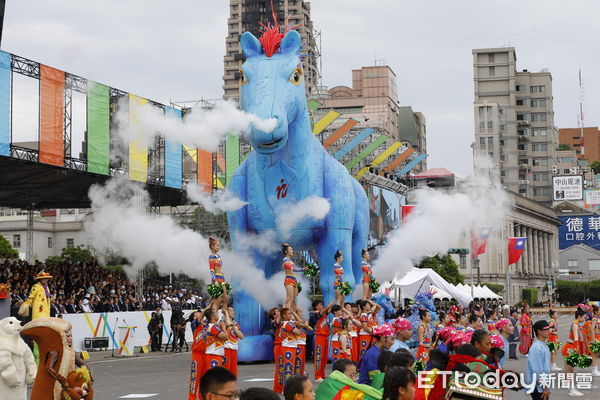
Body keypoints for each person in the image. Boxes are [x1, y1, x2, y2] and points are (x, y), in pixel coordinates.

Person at [273, 308, 302, 393]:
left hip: (290, 347)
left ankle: (284, 387)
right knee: (288, 368)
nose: (291, 315)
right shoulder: (287, 324)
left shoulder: (288, 323)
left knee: (289, 368)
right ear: (284, 316)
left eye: (291, 313)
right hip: (287, 347)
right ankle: (285, 388)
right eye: (289, 314)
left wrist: (294, 317)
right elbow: (298, 332)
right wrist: (295, 324)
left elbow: (300, 323)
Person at [561, 307, 587, 397]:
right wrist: (576, 350)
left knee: (570, 370)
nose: (585, 319)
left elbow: (581, 339)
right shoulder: (575, 324)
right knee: (570, 370)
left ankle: (571, 388)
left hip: (572, 348)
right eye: (584, 317)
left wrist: (582, 351)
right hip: (570, 348)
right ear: (579, 316)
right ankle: (572, 389)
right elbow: (576, 338)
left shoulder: (579, 325)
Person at [524, 320, 552, 400]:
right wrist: (545, 386)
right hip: (538, 386)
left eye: (548, 329)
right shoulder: (536, 347)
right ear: (539, 331)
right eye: (546, 329)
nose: (548, 331)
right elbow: (537, 370)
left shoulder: (542, 345)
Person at [312, 299, 334, 382]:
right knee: (319, 357)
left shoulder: (324, 314)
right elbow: (328, 307)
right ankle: (317, 376)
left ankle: (322, 374)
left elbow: (332, 308)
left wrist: (339, 296)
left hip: (325, 336)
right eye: (320, 304)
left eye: (322, 304)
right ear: (316, 306)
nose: (322, 306)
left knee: (324, 357)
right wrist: (334, 299)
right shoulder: (317, 314)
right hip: (319, 337)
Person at [282, 243, 306, 312]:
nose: (292, 251)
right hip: (289, 280)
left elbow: (294, 269)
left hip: (294, 280)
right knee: (289, 299)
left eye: (292, 249)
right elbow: (292, 268)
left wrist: (302, 269)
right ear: (286, 252)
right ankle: (285, 316)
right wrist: (302, 269)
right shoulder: (285, 260)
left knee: (294, 301)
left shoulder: (290, 261)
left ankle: (293, 318)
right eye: (290, 249)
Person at [208, 237, 228, 310]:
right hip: (216, 278)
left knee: (225, 299)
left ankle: (225, 316)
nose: (219, 247)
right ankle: (209, 315)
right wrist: (215, 280)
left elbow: (221, 270)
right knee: (217, 301)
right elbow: (212, 270)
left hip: (221, 278)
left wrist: (224, 279)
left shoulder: (218, 256)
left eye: (219, 245)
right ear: (212, 247)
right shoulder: (211, 257)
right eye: (217, 245)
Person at [224, 305, 244, 376]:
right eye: (232, 311)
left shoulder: (235, 323)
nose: (234, 312)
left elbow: (242, 337)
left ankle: (232, 386)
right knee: (226, 369)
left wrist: (236, 331)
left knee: (233, 371)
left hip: (234, 348)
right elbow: (227, 324)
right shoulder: (222, 322)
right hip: (226, 348)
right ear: (227, 312)